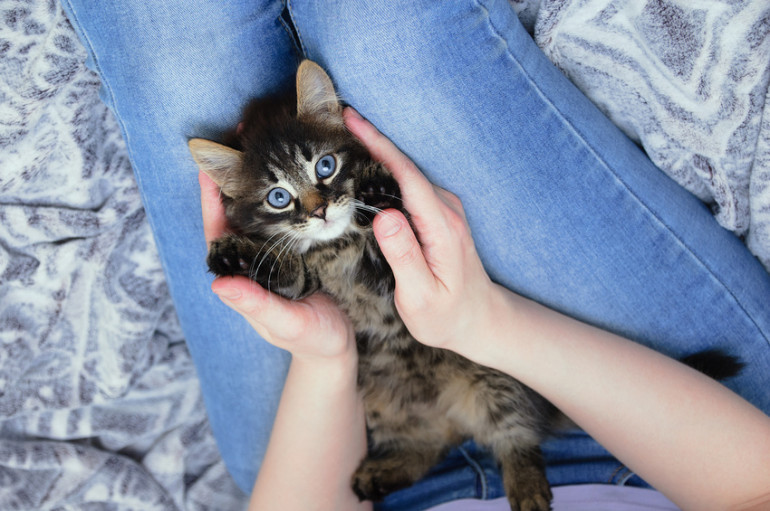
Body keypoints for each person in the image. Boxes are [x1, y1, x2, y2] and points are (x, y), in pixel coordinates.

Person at [60, 1, 770, 509]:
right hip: (669, 423)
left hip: (355, 457)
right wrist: (489, 322)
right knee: (383, 37)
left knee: (173, 51)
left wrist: (324, 353)